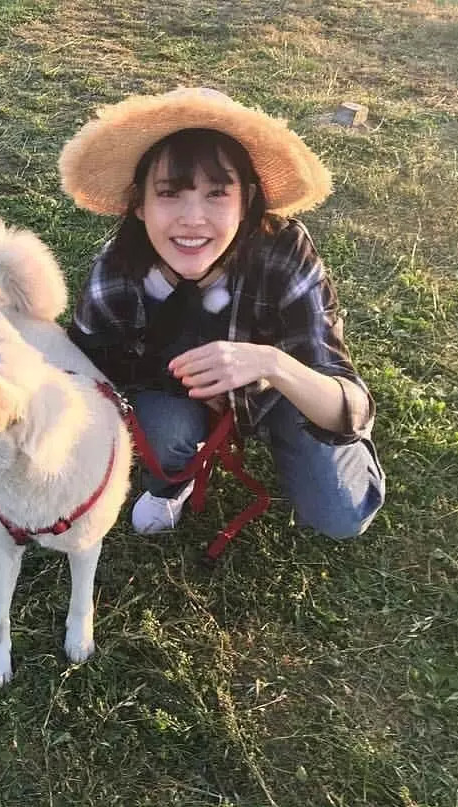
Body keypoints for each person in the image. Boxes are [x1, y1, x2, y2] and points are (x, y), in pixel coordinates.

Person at [58, 88, 384, 538]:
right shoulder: (117, 269)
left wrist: (270, 363)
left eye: (216, 193)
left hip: (280, 392)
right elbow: (82, 371)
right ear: (139, 204)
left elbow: (351, 405)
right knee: (161, 430)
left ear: (246, 200)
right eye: (170, 193)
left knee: (342, 513)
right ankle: (174, 479)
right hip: (170, 392)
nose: (193, 218)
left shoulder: (285, 252)